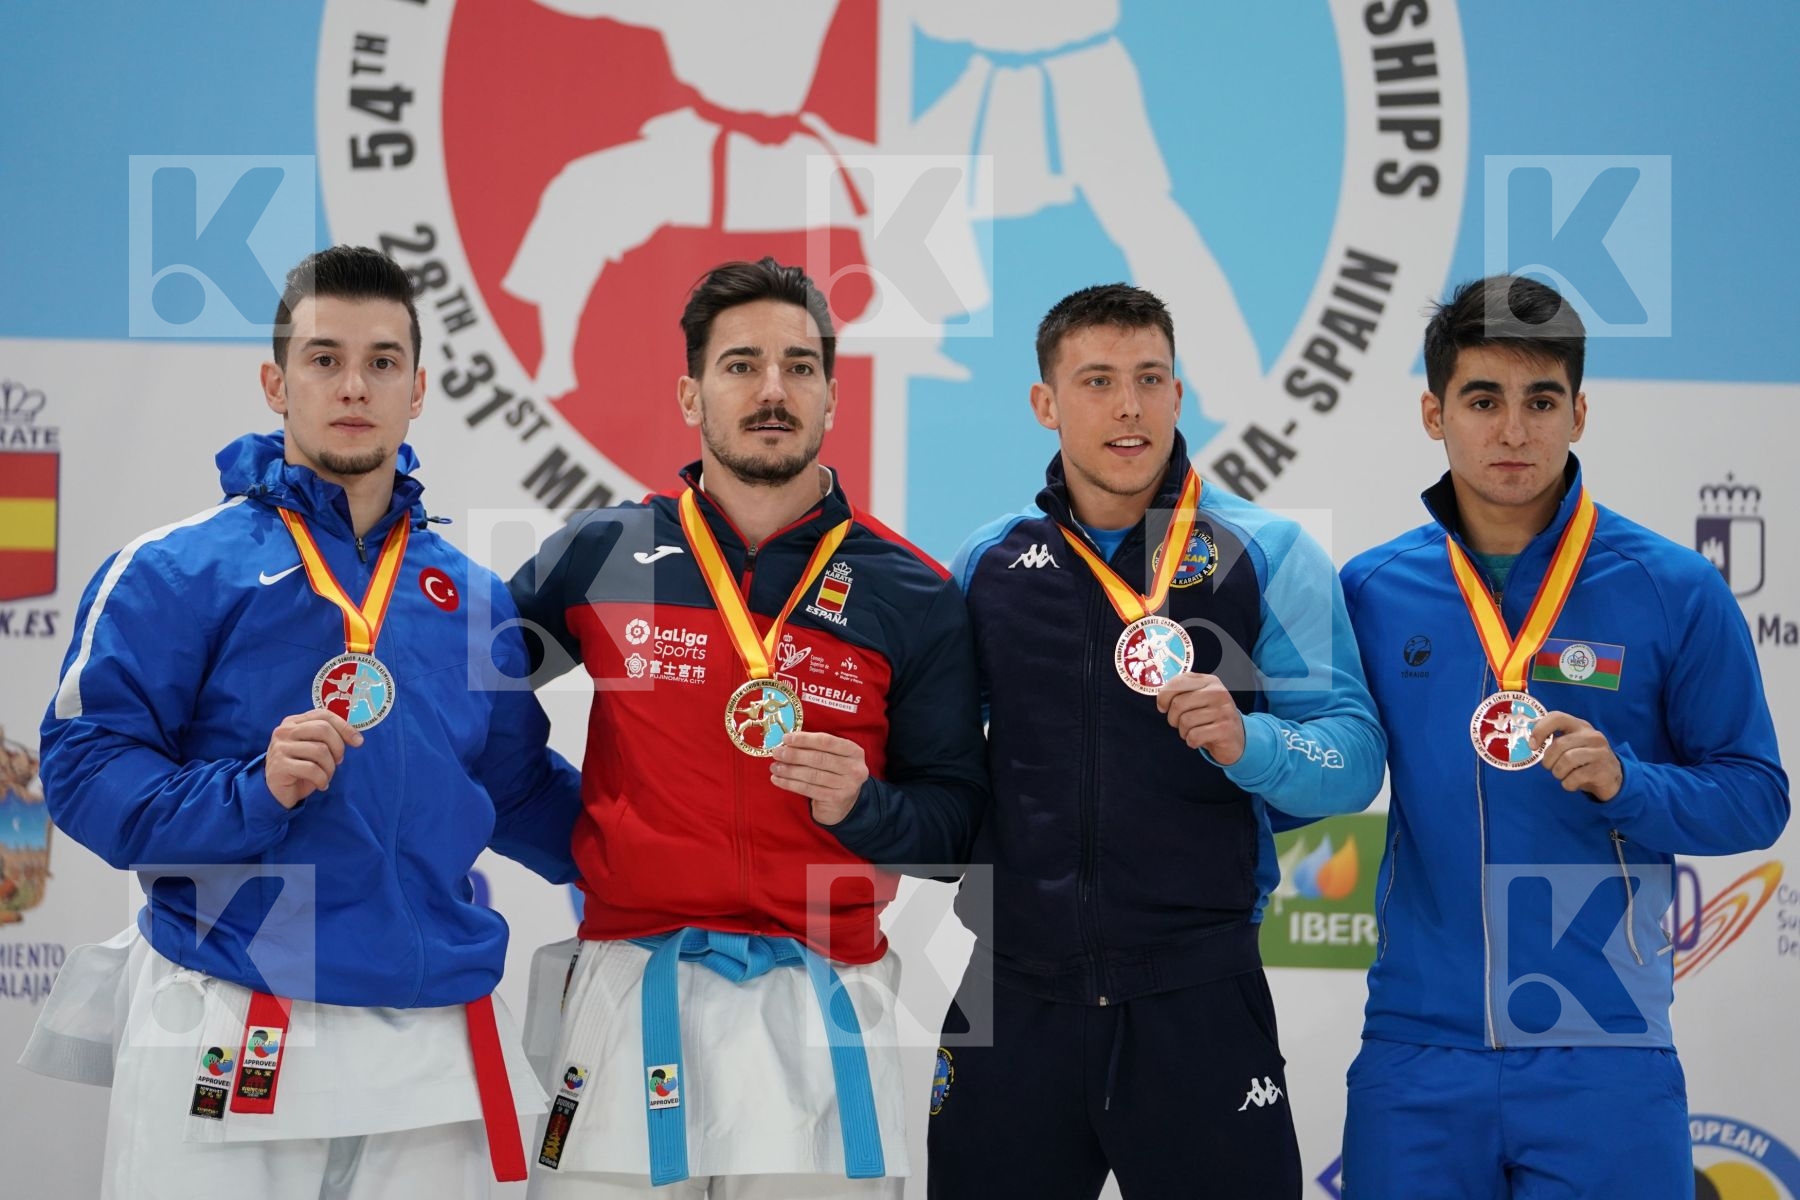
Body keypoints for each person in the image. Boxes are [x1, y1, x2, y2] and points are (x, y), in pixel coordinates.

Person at [18, 245, 585, 1197]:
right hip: (234, 1006)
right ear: (277, 383)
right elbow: (84, 765)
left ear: (418, 389)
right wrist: (252, 790)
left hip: (430, 1038)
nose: (354, 385)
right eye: (325, 359)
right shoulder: (174, 570)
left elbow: (520, 788)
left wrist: (682, 860)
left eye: (382, 361)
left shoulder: (475, 599)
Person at [506, 256, 988, 1198]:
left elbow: (956, 829)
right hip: (631, 982)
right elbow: (462, 707)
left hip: (823, 997)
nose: (773, 389)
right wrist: (585, 833)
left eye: (800, 367)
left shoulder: (912, 591)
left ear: (832, 397)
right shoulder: (602, 554)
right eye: (741, 365)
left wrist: (863, 807)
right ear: (691, 394)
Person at [931, 283, 1386, 1199]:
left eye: (1150, 379)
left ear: (1179, 394)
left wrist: (1250, 742)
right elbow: (934, 756)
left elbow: (1354, 756)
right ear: (1046, 403)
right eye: (1097, 381)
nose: (1129, 406)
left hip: (1197, 994)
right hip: (1011, 994)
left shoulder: (1267, 551)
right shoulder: (991, 563)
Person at [1338, 274, 1789, 1198]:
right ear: (1433, 414)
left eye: (1541, 401)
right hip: (1418, 1052)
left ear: (1579, 413)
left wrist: (1631, 783)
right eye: (1483, 401)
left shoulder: (1673, 587)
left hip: (1604, 1049)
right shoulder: (1371, 592)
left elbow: (1756, 797)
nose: (1514, 430)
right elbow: (1311, 768)